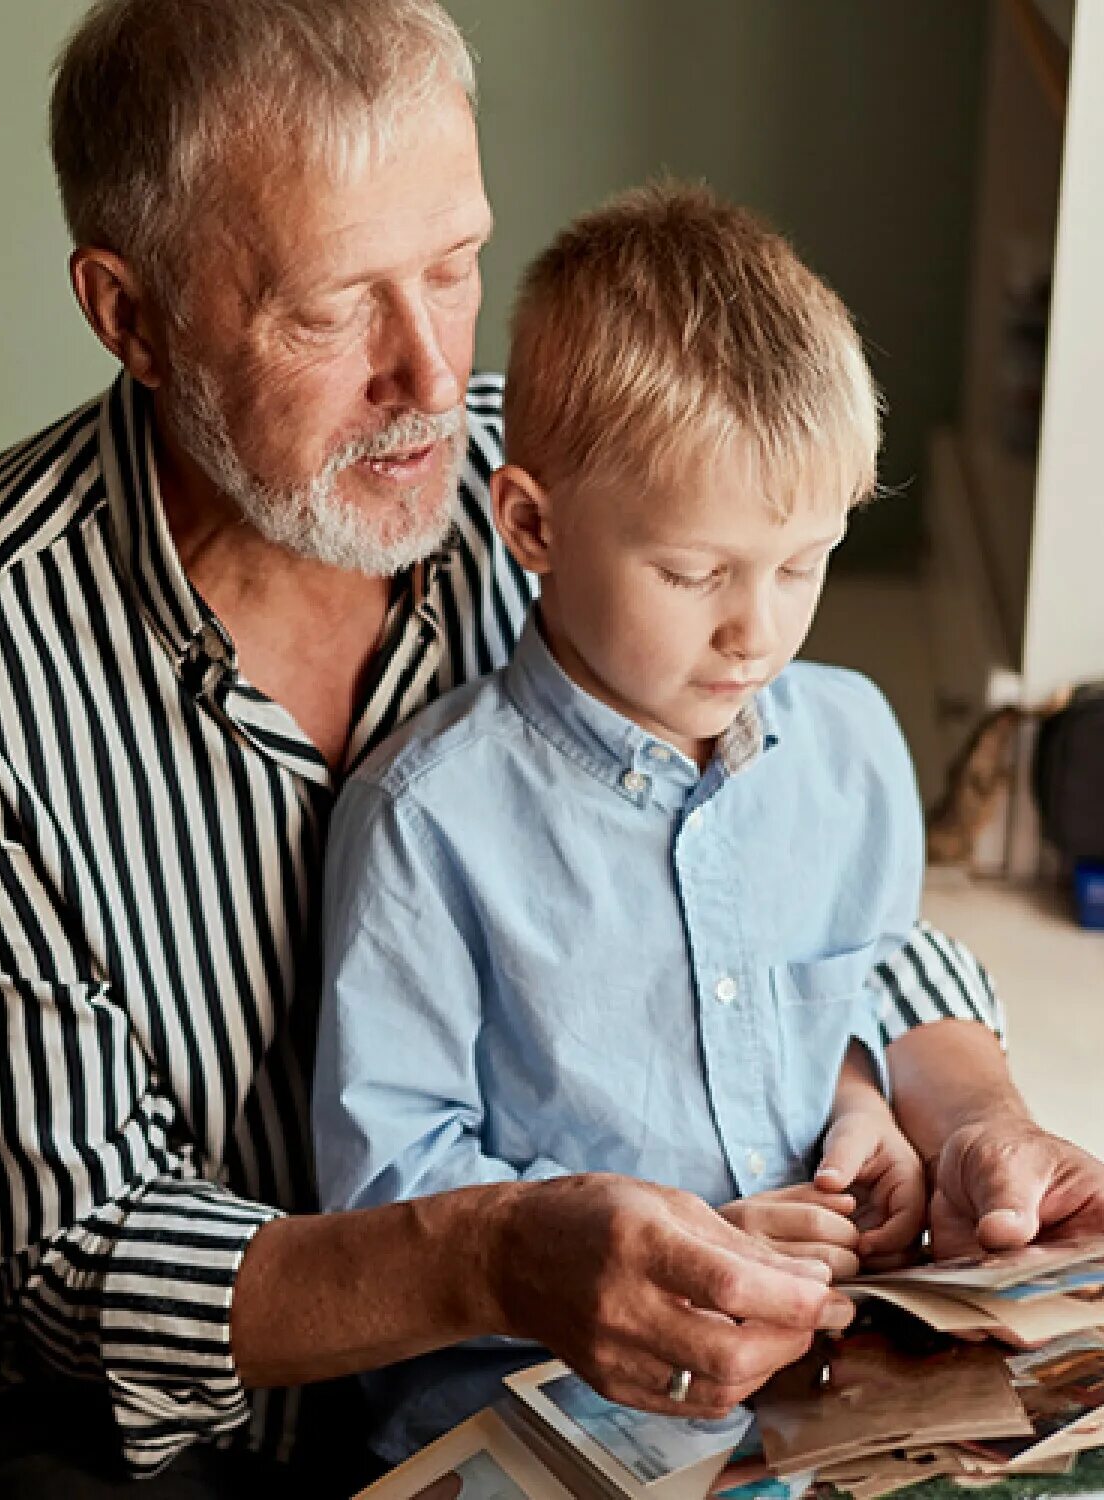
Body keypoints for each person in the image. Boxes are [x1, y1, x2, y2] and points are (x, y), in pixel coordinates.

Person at [0, 1, 1104, 1491]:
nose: (429, 379)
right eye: (331, 309)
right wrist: (503, 1259)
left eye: (452, 268)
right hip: (125, 1424)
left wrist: (970, 1119)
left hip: (578, 1372)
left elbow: (793, 866)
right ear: (129, 313)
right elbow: (83, 1260)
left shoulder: (583, 495)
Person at [314, 182, 939, 1459]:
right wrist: (677, 1243)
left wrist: (868, 1105)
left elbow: (858, 984)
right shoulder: (427, 818)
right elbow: (389, 1187)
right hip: (525, 1399)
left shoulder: (854, 747)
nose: (754, 628)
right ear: (534, 525)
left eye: (801, 564)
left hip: (815, 1368)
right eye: (693, 572)